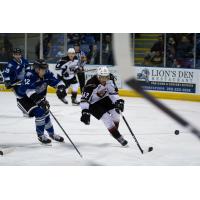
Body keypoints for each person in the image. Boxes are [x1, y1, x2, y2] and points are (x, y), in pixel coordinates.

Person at [17, 59, 65, 144]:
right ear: (36, 69)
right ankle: (41, 136)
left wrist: (61, 88)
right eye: (42, 69)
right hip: (24, 99)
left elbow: (56, 81)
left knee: (46, 112)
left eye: (45, 69)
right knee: (40, 112)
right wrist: (40, 100)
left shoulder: (47, 73)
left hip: (38, 97)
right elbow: (28, 91)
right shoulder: (30, 75)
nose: (44, 71)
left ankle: (51, 134)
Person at [80, 66, 128, 146]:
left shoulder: (110, 79)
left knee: (116, 114)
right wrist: (85, 111)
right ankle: (118, 136)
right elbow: (84, 99)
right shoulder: (91, 84)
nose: (104, 79)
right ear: (98, 76)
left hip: (105, 99)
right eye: (102, 77)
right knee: (106, 118)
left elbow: (112, 92)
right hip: (93, 104)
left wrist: (117, 101)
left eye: (106, 77)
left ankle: (114, 131)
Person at [3, 48, 31, 115]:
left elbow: (28, 70)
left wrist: (28, 77)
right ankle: (24, 111)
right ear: (13, 55)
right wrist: (7, 82)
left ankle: (30, 108)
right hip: (14, 82)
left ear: (21, 55)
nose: (17, 56)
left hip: (23, 81)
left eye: (19, 54)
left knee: (27, 94)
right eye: (16, 54)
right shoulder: (10, 64)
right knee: (19, 96)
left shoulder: (24, 61)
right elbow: (6, 74)